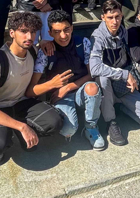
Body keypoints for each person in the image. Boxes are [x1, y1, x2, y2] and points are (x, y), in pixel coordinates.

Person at [0, 12, 64, 165]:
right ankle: (3, 140)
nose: (29, 37)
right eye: (23, 31)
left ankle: (21, 133)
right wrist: (22, 127)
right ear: (12, 33)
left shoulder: (32, 51)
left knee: (54, 121)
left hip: (21, 103)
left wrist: (46, 42)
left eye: (33, 32)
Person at [26, 10, 105, 150]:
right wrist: (52, 85)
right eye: (57, 32)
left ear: (72, 28)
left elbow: (92, 74)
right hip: (60, 97)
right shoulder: (46, 52)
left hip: (80, 90)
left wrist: (67, 87)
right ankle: (68, 117)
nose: (63, 36)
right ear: (50, 33)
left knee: (93, 87)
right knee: (68, 130)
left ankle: (91, 127)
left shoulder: (83, 43)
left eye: (66, 29)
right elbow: (31, 90)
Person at [90, 0, 140, 145]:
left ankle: (122, 107)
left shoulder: (125, 33)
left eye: (117, 17)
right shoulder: (97, 37)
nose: (114, 21)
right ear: (103, 17)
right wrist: (124, 74)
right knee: (102, 78)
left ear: (122, 15)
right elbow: (94, 68)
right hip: (108, 87)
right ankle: (110, 121)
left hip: (124, 86)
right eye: (110, 17)